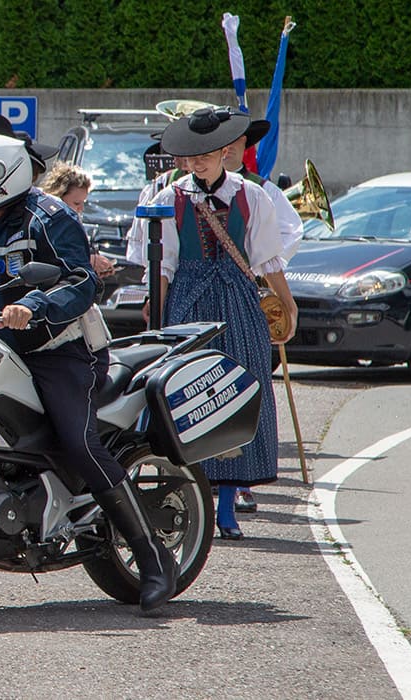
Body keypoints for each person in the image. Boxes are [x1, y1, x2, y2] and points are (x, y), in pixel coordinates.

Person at [0, 129, 178, 614]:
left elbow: (81, 281)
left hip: (59, 349)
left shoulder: (50, 217)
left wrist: (34, 305)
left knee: (78, 441)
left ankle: (153, 558)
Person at [127, 106, 295, 540]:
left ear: (224, 153)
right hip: (189, 299)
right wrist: (155, 309)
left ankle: (228, 505)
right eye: (191, 156)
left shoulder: (252, 196)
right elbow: (161, 264)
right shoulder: (167, 199)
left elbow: (267, 258)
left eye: (205, 155)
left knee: (240, 390)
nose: (197, 163)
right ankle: (193, 497)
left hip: (238, 300)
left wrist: (287, 304)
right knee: (189, 394)